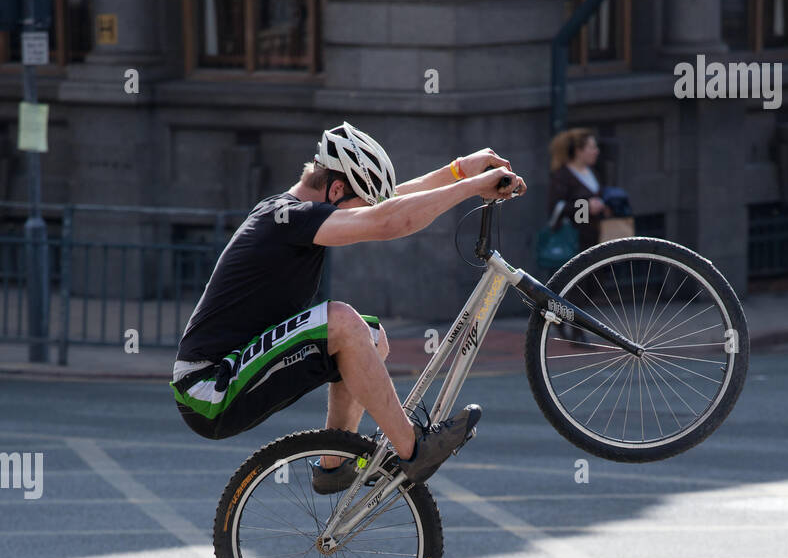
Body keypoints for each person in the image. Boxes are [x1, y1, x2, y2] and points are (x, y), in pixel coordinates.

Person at [170, 122, 525, 491]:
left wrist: (458, 171)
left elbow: (390, 205)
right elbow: (389, 219)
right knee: (341, 320)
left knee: (370, 337)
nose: (364, 215)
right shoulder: (287, 216)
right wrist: (470, 188)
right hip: (206, 388)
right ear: (336, 188)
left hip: (231, 371)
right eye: (360, 203)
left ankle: (334, 463)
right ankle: (413, 450)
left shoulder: (301, 213)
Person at [547, 127, 610, 251]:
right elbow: (556, 208)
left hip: (597, 239)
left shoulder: (593, 172)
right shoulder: (563, 176)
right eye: (592, 148)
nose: (596, 151)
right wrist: (587, 206)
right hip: (574, 243)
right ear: (578, 151)